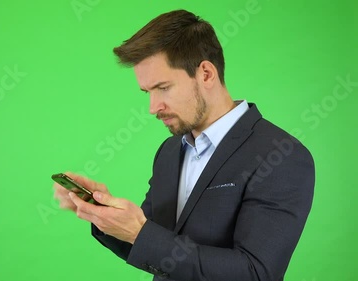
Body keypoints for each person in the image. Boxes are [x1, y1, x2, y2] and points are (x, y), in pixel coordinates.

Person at [53, 9, 315, 281]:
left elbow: (256, 273)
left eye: (163, 87)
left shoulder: (283, 155)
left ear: (206, 74)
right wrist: (103, 215)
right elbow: (152, 248)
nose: (153, 108)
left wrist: (139, 233)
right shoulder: (168, 152)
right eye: (147, 93)